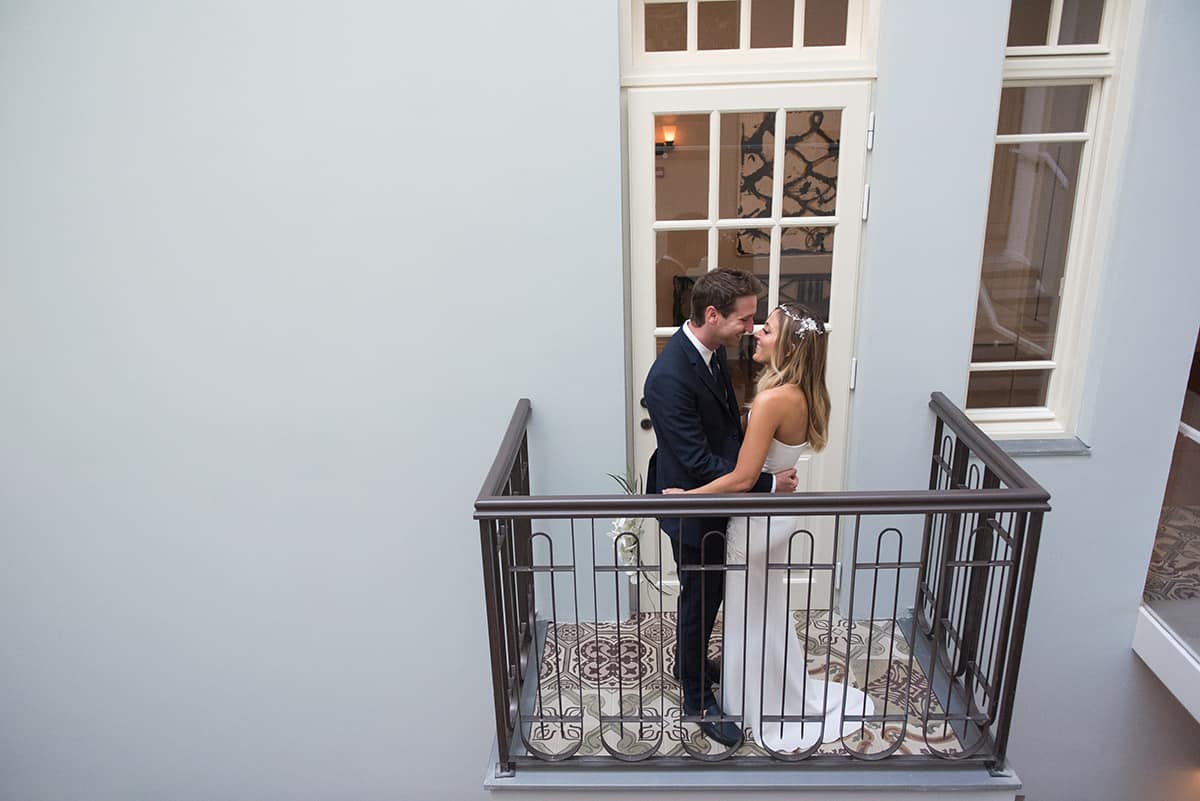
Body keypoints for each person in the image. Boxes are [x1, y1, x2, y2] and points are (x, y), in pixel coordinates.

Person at [668, 302, 876, 752]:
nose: (756, 333)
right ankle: (763, 685)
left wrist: (689, 496)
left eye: (767, 329)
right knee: (763, 607)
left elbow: (743, 479)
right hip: (776, 515)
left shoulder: (771, 400)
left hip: (755, 522)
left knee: (749, 611)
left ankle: (754, 701)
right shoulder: (802, 393)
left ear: (790, 346)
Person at [643, 269, 799, 748]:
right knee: (699, 599)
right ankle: (696, 699)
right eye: (744, 319)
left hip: (719, 497)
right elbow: (695, 461)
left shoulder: (712, 353)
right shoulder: (668, 376)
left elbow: (724, 431)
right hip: (692, 506)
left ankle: (686, 663)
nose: (750, 328)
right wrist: (763, 482)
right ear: (712, 315)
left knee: (709, 595)